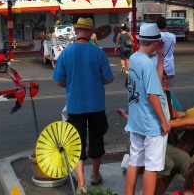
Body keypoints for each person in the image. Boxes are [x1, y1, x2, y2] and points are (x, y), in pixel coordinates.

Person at [52, 17, 114, 195]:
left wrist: (71, 83)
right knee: (97, 139)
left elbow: (59, 81)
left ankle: (81, 184)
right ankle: (95, 175)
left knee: (76, 143)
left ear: (77, 31)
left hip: (75, 106)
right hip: (96, 104)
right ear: (89, 33)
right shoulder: (98, 53)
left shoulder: (66, 53)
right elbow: (108, 78)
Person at [125, 23, 170, 195]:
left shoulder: (135, 58)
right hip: (151, 123)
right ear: (156, 42)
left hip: (136, 120)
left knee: (134, 161)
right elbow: (153, 95)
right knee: (152, 166)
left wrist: (160, 57)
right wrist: (164, 121)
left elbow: (155, 84)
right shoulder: (147, 65)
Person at [152, 16, 176, 89]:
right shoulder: (173, 36)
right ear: (166, 24)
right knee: (169, 92)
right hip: (170, 68)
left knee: (158, 92)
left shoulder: (156, 37)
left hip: (158, 68)